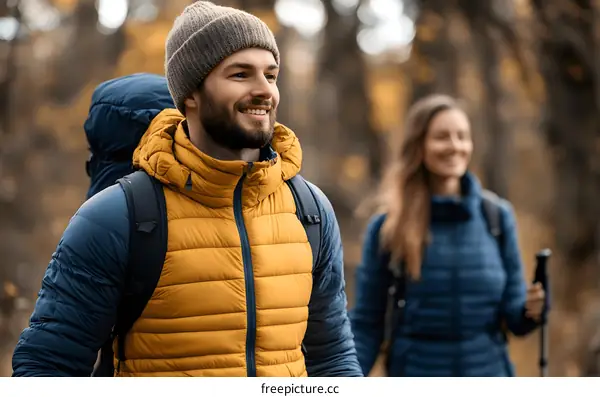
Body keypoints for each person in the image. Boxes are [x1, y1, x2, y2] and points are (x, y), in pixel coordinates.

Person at [12, 1, 362, 377]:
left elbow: (333, 358)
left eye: (271, 75)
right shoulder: (117, 216)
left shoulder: (309, 209)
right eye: (241, 75)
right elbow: (47, 366)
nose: (265, 91)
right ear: (190, 94)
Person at [349, 94, 546, 377]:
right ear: (419, 146)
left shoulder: (497, 217)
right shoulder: (388, 228)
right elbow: (368, 325)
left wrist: (534, 309)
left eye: (462, 137)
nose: (455, 146)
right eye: (442, 137)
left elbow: (515, 320)